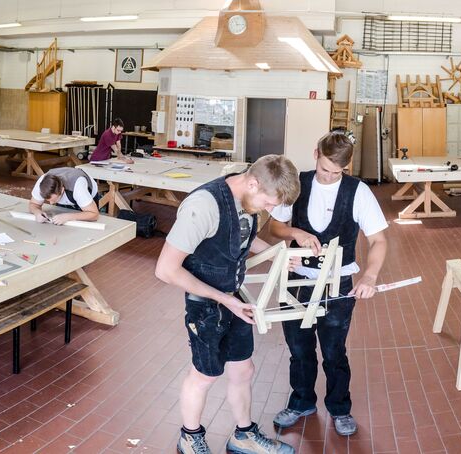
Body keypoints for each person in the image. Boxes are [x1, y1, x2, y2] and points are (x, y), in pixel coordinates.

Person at [155, 155, 301, 454]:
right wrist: (225, 300)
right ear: (252, 182)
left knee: (243, 369)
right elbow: (166, 270)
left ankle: (243, 435)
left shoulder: (248, 199)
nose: (271, 210)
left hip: (233, 298)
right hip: (205, 304)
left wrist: (277, 254)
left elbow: (241, 239)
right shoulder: (203, 206)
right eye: (269, 202)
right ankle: (189, 438)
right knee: (205, 374)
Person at [265, 132, 389, 437]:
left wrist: (370, 276)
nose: (331, 177)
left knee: (334, 350)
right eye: (325, 169)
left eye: (338, 172)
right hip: (297, 281)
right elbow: (274, 227)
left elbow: (378, 240)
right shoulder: (298, 184)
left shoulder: (357, 191)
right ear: (315, 154)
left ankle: (339, 407)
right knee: (299, 348)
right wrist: (295, 232)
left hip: (338, 284)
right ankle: (302, 401)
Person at [28, 167, 101, 224]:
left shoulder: (78, 188)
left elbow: (94, 214)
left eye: (54, 200)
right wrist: (37, 212)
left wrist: (68, 217)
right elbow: (33, 204)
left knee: (84, 223)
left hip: (83, 191)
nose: (51, 203)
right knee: (60, 223)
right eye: (48, 200)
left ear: (62, 190)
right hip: (68, 193)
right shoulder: (41, 184)